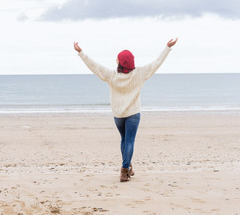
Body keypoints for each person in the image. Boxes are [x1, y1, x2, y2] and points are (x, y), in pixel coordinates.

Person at [73, 38, 178, 182]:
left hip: (118, 114)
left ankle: (127, 168)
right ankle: (124, 170)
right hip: (133, 114)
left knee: (124, 140)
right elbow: (156, 64)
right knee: (129, 141)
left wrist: (81, 53)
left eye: (117, 59)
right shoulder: (139, 74)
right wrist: (167, 48)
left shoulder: (111, 76)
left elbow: (95, 67)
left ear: (121, 63)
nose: (115, 60)